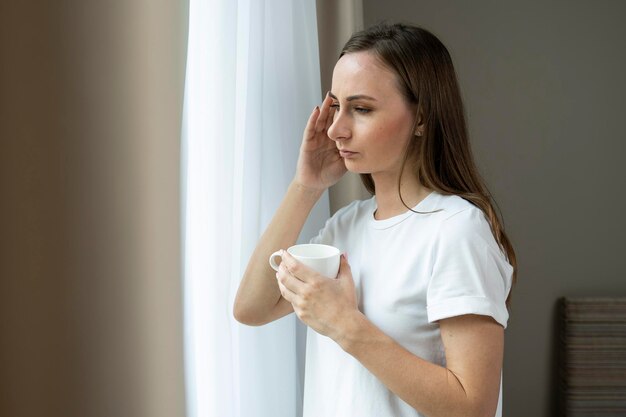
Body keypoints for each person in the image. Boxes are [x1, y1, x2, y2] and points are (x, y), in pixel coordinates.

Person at [233, 22, 517, 417]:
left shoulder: (456, 230)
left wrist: (344, 324)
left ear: (422, 118)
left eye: (361, 109)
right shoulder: (346, 225)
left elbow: (474, 406)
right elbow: (251, 308)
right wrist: (306, 187)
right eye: (335, 107)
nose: (336, 129)